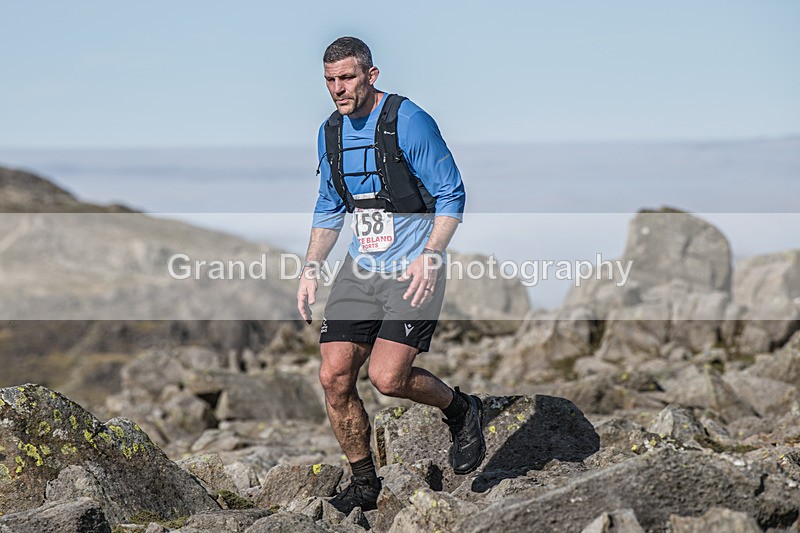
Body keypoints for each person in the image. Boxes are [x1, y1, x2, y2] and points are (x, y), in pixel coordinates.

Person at [296, 36, 485, 514]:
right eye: (330, 81)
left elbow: (452, 193)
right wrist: (311, 266)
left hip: (413, 269)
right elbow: (329, 204)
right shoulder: (330, 132)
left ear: (371, 75)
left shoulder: (409, 121)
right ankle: (364, 484)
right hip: (361, 269)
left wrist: (431, 253)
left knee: (386, 377)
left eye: (347, 78)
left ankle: (463, 410)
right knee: (334, 376)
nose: (338, 89)